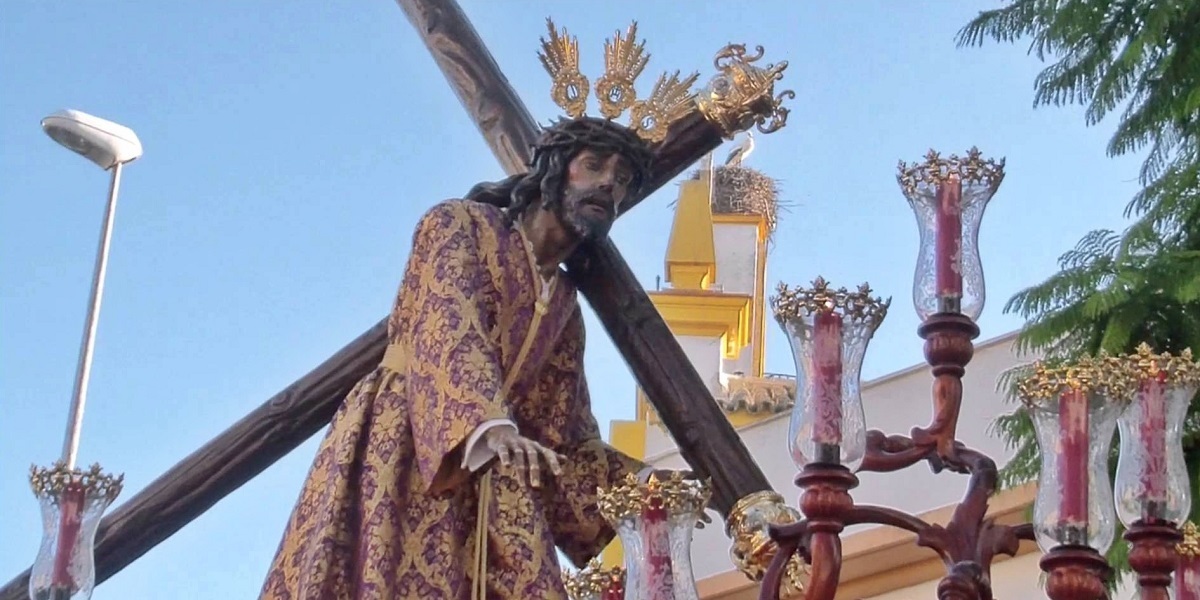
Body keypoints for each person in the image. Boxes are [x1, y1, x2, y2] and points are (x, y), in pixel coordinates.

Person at [258, 115, 660, 600]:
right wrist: (487, 423)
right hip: (409, 437)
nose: (608, 184)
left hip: (497, 471)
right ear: (554, 169)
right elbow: (449, 321)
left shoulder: (564, 305)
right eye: (593, 165)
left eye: (622, 178)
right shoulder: (458, 224)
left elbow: (563, 431)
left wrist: (642, 486)